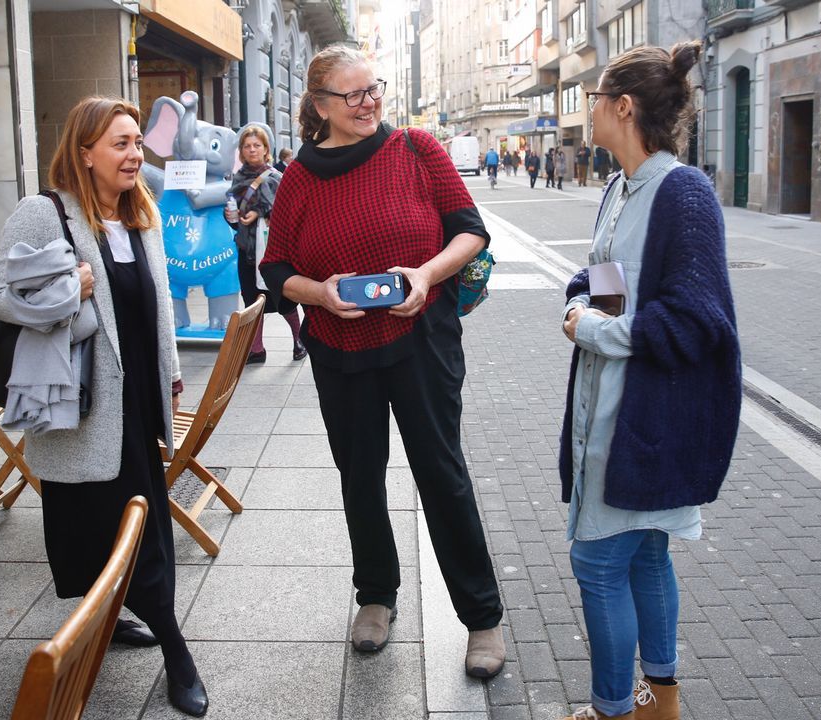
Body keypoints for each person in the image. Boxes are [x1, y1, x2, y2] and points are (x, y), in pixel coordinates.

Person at [259, 45, 506, 679]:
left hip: (421, 341)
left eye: (375, 89)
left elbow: (470, 229)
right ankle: (375, 596)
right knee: (359, 475)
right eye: (353, 94)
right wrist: (318, 294)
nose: (369, 103)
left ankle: (481, 618)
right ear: (321, 106)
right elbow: (276, 267)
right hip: (340, 351)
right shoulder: (300, 179)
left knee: (441, 472)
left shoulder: (417, 150)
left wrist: (423, 276)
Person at [0, 96, 209, 717]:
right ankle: (113, 619)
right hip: (80, 407)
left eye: (138, 141)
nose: (136, 153)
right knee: (87, 526)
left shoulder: (143, 214)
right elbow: (0, 296)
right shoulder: (45, 213)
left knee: (147, 526)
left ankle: (172, 645)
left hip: (139, 401)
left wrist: (169, 375)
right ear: (84, 154)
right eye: (120, 143)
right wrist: (69, 288)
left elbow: (156, 309)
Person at [558, 41, 740, 720]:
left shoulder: (682, 192)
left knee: (599, 566)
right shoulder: (618, 188)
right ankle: (661, 705)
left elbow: (699, 319)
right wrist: (577, 303)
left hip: (643, 423)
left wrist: (594, 329)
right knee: (643, 560)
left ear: (622, 107)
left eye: (594, 99)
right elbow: (602, 280)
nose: (590, 111)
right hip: (609, 413)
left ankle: (612, 711)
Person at [226, 125, 306, 364]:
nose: (252, 150)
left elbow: (288, 212)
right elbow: (235, 218)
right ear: (241, 151)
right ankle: (257, 349)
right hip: (246, 250)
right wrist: (231, 217)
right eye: (247, 146)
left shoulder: (277, 177)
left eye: (256, 145)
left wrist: (259, 213)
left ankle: (298, 340)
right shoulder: (238, 179)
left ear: (266, 149)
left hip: (274, 251)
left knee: (284, 299)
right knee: (252, 299)